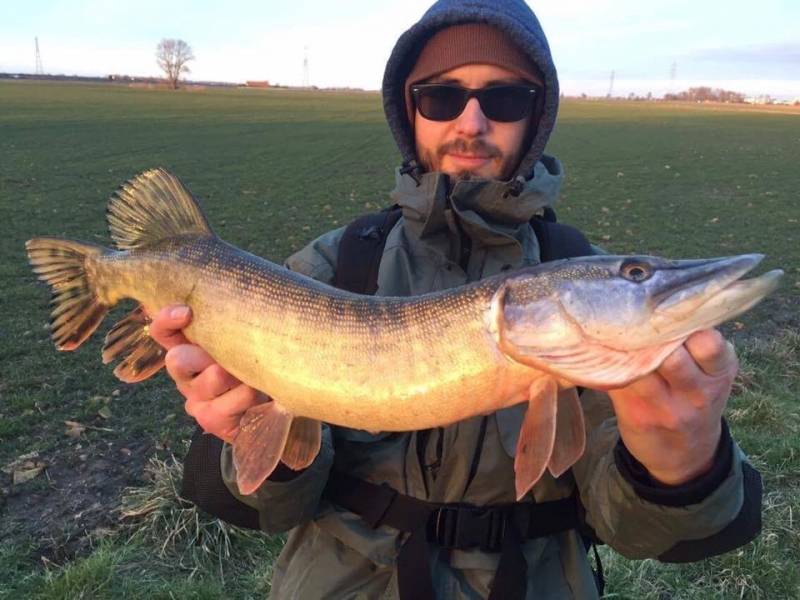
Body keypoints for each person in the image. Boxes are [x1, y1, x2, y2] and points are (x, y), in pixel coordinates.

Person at [150, 1, 762, 598]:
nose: (471, 124)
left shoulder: (580, 298)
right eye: (441, 97)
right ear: (409, 111)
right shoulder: (337, 265)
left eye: (504, 98)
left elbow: (640, 531)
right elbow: (264, 506)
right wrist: (247, 433)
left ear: (535, 115)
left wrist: (680, 466)